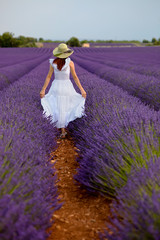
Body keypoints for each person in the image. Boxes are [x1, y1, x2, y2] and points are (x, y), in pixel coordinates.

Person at [40, 43, 86, 139]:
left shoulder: (53, 63)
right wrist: (82, 90)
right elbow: (75, 77)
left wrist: (43, 89)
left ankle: (61, 129)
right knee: (65, 106)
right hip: (66, 86)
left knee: (57, 106)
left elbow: (48, 77)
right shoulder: (70, 63)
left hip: (56, 86)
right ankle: (63, 129)